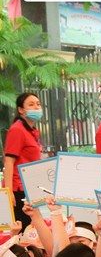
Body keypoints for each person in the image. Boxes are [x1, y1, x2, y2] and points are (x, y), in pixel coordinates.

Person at [3, 92, 44, 228]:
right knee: (23, 229)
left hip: (29, 186)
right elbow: (9, 161)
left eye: (38, 104)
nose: (36, 107)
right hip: (18, 188)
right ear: (21, 110)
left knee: (32, 228)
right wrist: (9, 192)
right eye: (31, 105)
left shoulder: (31, 131)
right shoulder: (17, 130)